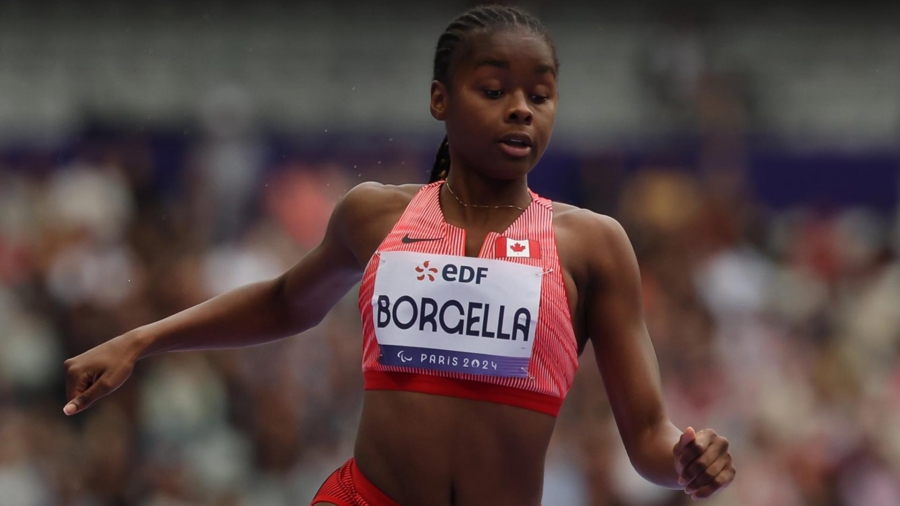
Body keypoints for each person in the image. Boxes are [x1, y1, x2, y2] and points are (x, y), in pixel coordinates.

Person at [62, 5, 735, 506]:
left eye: (540, 93)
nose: (521, 110)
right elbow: (283, 301)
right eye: (494, 89)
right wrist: (140, 341)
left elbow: (646, 434)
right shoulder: (376, 214)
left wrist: (682, 460)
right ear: (441, 98)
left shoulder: (593, 244)